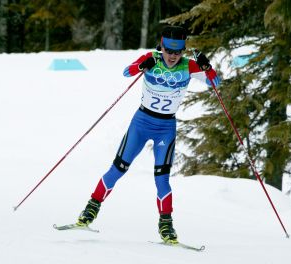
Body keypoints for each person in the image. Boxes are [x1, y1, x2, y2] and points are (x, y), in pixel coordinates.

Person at [76, 25, 220, 244]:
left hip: (166, 128)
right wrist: (143, 65)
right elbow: (127, 72)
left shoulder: (189, 66)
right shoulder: (152, 58)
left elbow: (215, 83)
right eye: (168, 51)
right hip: (141, 123)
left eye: (177, 52)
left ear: (183, 51)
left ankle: (166, 226)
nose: (172, 56)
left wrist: (207, 67)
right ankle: (90, 209)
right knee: (118, 169)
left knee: (162, 179)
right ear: (160, 46)